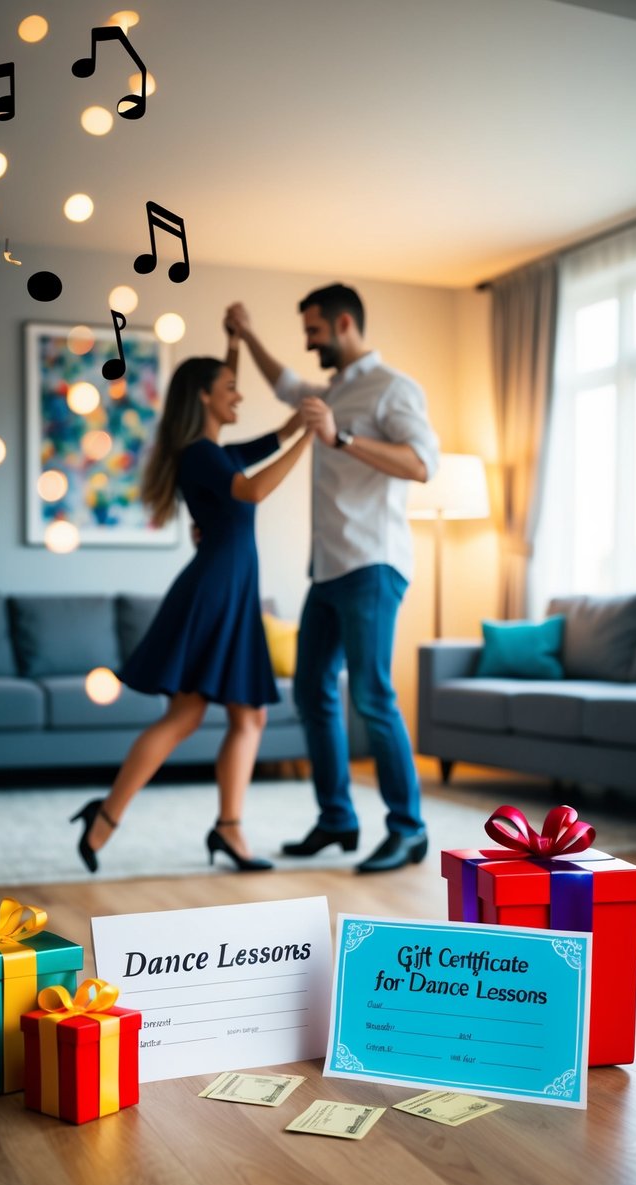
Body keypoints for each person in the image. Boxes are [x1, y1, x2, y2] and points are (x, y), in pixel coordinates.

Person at [71, 337, 313, 874]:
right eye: (229, 389)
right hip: (217, 592)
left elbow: (266, 440)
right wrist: (309, 440)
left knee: (235, 714)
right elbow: (250, 491)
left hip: (224, 588)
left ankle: (217, 827)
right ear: (203, 398)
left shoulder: (212, 452)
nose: (239, 396)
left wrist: (236, 347)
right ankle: (119, 816)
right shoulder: (204, 455)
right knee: (197, 715)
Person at [225, 284, 439, 873]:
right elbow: (288, 386)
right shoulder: (335, 389)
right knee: (313, 688)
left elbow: (422, 464)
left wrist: (341, 437)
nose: (309, 343)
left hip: (373, 563)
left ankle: (409, 829)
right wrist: (247, 337)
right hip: (329, 568)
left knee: (371, 693)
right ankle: (338, 818)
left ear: (344, 323)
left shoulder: (392, 388)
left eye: (314, 331)